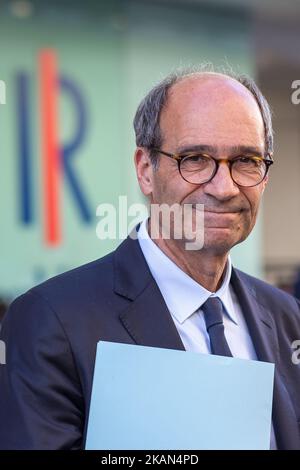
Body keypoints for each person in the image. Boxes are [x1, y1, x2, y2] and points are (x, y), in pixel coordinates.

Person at [0, 68, 300, 450]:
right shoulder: (51, 322)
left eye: (246, 160)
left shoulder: (288, 319)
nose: (224, 188)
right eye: (195, 158)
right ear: (145, 170)